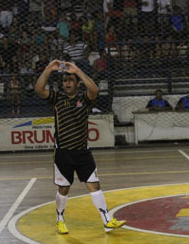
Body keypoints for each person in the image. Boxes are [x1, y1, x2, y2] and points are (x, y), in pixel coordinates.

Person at [34, 60, 126, 234]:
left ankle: (107, 221)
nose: (67, 83)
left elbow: (95, 90)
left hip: (83, 151)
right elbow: (38, 89)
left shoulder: (84, 98)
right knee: (64, 188)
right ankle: (60, 219)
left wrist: (77, 70)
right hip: (63, 152)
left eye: (71, 80)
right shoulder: (57, 98)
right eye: (65, 80)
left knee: (95, 185)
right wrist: (48, 69)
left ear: (77, 83)